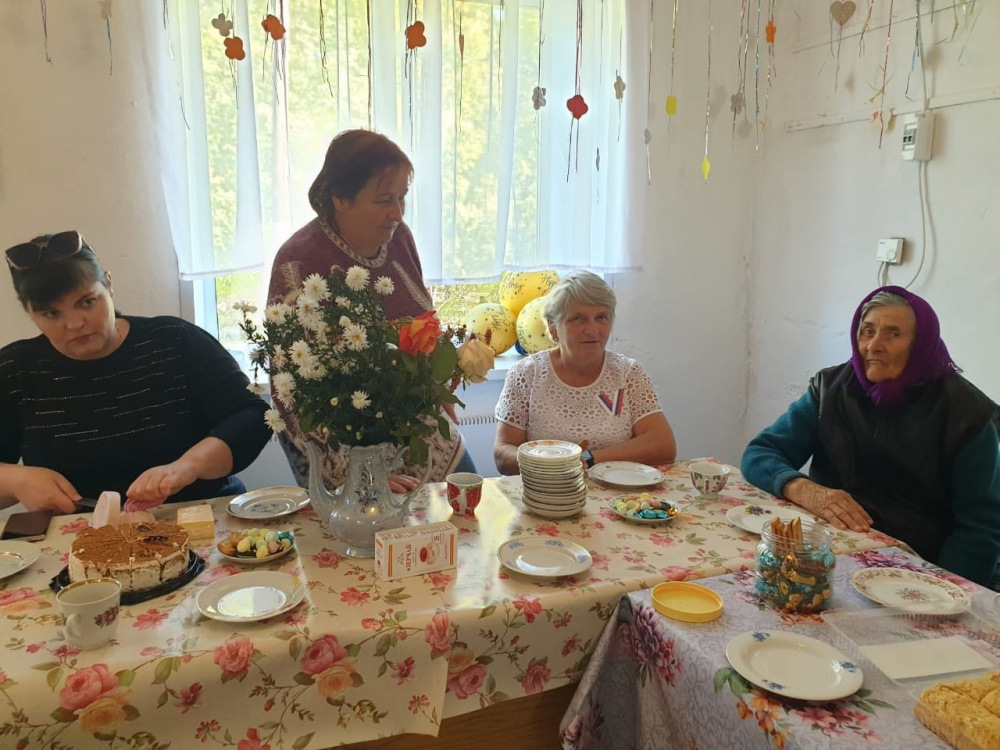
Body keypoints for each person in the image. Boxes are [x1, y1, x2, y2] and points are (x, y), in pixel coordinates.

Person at [741, 286, 1000, 587]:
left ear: (921, 343)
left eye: (893, 334)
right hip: (829, 555)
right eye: (867, 331)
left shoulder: (967, 413)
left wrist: (938, 589)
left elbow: (980, 529)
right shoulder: (830, 389)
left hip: (920, 567)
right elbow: (760, 453)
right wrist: (805, 490)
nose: (874, 345)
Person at [0, 230, 271, 513]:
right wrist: (15, 480)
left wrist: (188, 467)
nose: (75, 323)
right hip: (79, 533)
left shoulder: (174, 341)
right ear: (29, 312)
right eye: (51, 314)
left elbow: (253, 416)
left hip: (198, 516)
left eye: (87, 302)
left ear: (109, 284)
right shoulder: (15, 370)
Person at [268, 129, 474, 490]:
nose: (397, 213)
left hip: (415, 424)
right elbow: (293, 393)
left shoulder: (400, 239)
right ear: (340, 198)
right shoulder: (299, 260)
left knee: (466, 505)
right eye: (383, 200)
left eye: (402, 198)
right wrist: (359, 476)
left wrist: (435, 387)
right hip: (338, 442)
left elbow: (421, 324)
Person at [493, 270, 677, 475]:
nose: (592, 330)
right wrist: (553, 464)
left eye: (601, 317)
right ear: (553, 328)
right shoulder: (526, 374)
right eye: (578, 319)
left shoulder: (628, 374)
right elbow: (503, 454)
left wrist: (587, 459)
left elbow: (663, 446)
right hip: (546, 490)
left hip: (619, 491)